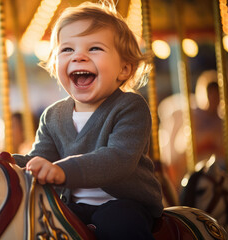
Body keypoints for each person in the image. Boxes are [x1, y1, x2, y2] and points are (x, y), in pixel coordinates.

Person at [12, 2, 163, 239]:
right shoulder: (53, 116)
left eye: (94, 48)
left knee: (118, 223)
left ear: (124, 69)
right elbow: (39, 159)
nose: (79, 56)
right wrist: (3, 163)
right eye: (67, 50)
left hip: (125, 203)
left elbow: (118, 159)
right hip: (73, 206)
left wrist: (62, 170)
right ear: (55, 64)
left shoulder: (130, 107)